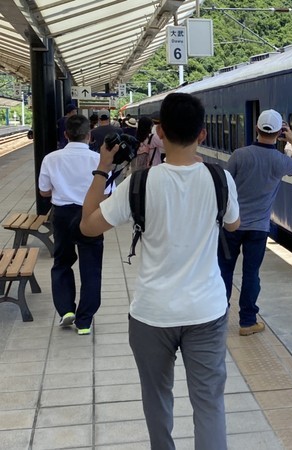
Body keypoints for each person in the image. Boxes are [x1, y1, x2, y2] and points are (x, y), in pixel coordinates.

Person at [80, 93, 240, 449]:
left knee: (156, 398)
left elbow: (88, 226)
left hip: (152, 314)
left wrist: (103, 168)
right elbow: (233, 225)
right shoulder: (220, 180)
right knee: (209, 403)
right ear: (202, 134)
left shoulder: (139, 183)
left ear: (161, 132)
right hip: (207, 311)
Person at [218, 109, 292, 336]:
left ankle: (217, 319)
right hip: (258, 228)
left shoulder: (240, 155)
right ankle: (247, 322)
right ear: (279, 132)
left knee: (224, 270)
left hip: (232, 224)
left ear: (256, 129)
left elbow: (227, 185)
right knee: (251, 274)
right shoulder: (280, 161)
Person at [38, 114, 109, 335]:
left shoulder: (51, 158)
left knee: (62, 262)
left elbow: (44, 191)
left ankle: (66, 310)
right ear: (90, 136)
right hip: (91, 214)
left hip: (61, 214)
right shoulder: (98, 160)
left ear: (66, 134)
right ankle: (85, 320)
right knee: (91, 267)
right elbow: (108, 193)